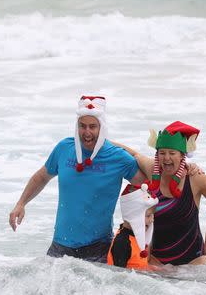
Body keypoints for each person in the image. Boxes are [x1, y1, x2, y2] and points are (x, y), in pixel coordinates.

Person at [9, 96, 146, 262]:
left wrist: (138, 154)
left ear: (101, 128)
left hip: (97, 249)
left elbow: (149, 186)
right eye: (82, 126)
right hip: (59, 247)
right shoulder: (64, 148)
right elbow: (42, 177)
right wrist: (21, 203)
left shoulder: (117, 157)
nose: (87, 132)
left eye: (92, 127)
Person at [116, 122, 206, 266]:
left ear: (182, 156)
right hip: (158, 263)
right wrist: (101, 140)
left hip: (194, 263)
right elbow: (133, 154)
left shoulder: (196, 178)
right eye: (162, 153)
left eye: (172, 153)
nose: (166, 158)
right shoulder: (153, 169)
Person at [107, 183, 158, 270]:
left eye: (153, 216)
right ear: (133, 215)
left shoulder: (138, 237)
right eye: (148, 216)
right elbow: (117, 278)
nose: (152, 220)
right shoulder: (122, 242)